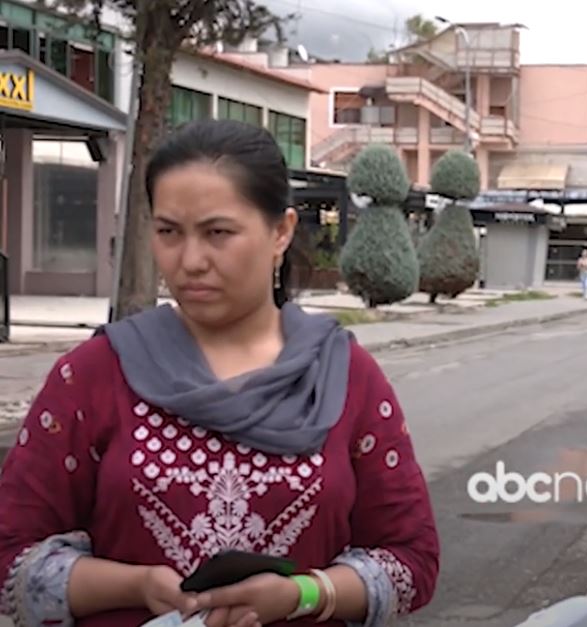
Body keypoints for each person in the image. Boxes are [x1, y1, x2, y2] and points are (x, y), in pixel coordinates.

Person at [0, 119, 440, 626]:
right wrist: (137, 584)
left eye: (218, 233)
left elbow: (412, 559)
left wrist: (304, 593)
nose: (189, 261)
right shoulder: (95, 375)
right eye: (169, 232)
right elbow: (11, 554)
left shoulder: (345, 376)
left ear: (281, 232)